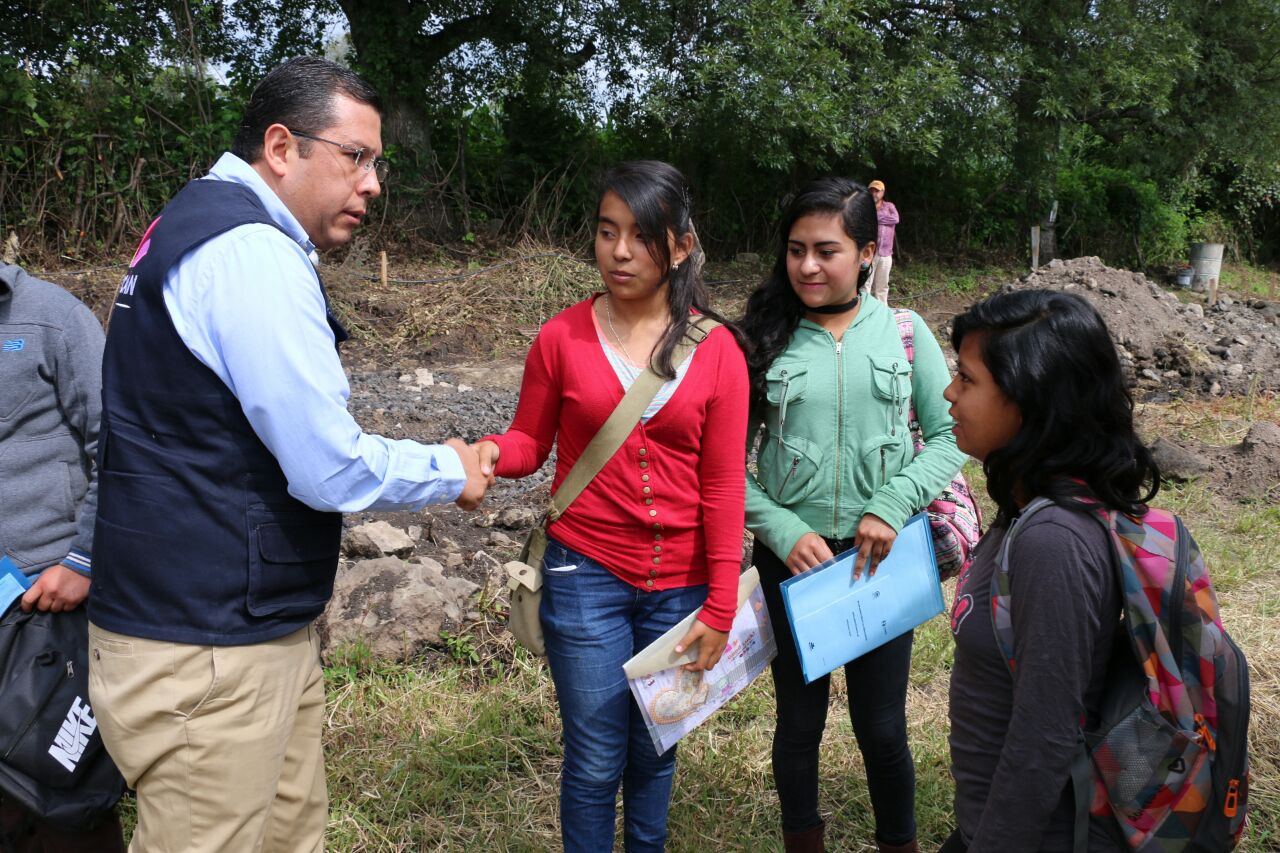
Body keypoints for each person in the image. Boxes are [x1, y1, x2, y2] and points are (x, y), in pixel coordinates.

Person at [85, 57, 489, 853]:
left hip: (235, 632)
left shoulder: (191, 222)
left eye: (378, 162)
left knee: (288, 833)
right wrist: (452, 467)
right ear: (281, 146)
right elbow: (325, 465)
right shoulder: (250, 254)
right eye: (356, 157)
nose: (373, 184)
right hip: (206, 650)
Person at [472, 160, 749, 852]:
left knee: (656, 748)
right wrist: (483, 454)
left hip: (681, 587)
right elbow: (530, 441)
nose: (619, 251)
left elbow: (722, 486)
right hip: (585, 575)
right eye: (606, 231)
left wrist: (719, 606)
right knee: (596, 758)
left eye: (640, 235)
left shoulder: (718, 351)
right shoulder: (560, 337)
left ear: (680, 245)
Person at [739, 177, 966, 853]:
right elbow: (719, 464)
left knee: (883, 727)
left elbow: (950, 437)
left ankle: (899, 842)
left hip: (882, 560)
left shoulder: (904, 332)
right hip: (793, 562)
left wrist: (891, 507)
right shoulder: (761, 337)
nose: (808, 265)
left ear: (867, 252)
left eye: (827, 250)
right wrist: (783, 529)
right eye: (795, 249)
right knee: (799, 725)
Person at [941, 289, 1151, 852]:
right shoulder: (1029, 505)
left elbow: (1044, 738)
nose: (949, 394)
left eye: (966, 379)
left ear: (1028, 401)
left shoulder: (1053, 541)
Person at [0, 263, 125, 851]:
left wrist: (83, 559)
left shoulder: (52, 317)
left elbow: (121, 442)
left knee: (63, 801)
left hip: (42, 612)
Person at [868, 180, 898, 305]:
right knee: (865, 284)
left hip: (886, 253)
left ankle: (882, 313)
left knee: (882, 286)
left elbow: (895, 219)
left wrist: (875, 217)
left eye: (877, 191)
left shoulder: (889, 206)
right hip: (868, 252)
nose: (874, 193)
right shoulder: (865, 207)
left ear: (883, 192)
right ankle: (865, 311)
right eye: (872, 191)